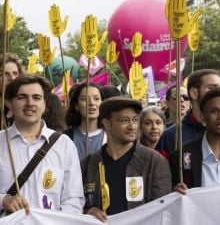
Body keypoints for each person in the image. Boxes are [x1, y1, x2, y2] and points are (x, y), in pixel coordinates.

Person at [0, 75, 84, 214]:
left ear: (44, 104)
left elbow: (73, 199)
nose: (30, 103)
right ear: (9, 103)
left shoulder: (64, 145)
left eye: (36, 98)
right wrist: (4, 200)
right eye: (22, 97)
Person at [81, 96, 172, 222]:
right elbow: (76, 205)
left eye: (135, 120)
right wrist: (86, 211)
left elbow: (163, 210)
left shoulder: (155, 161)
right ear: (106, 123)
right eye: (125, 120)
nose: (132, 126)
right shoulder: (88, 164)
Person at [155, 69, 220, 159]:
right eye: (212, 88)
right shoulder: (171, 136)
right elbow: (159, 172)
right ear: (194, 93)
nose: (219, 93)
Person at [64, 83, 105, 159]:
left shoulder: (111, 136)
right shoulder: (65, 138)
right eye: (84, 99)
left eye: (96, 99)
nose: (92, 103)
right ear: (76, 106)